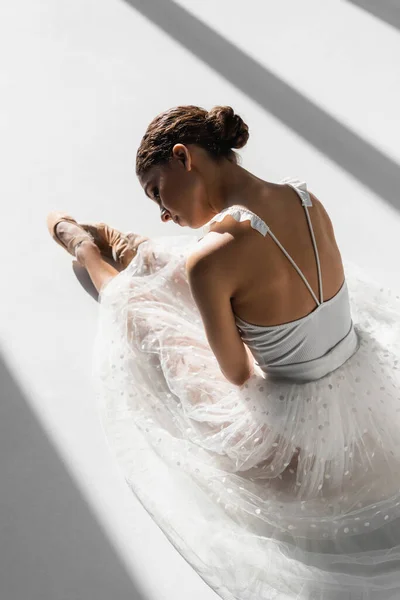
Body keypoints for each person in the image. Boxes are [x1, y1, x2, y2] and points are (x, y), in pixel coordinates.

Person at [47, 105, 400, 599]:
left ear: (183, 157)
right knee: (213, 271)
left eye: (156, 192)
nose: (164, 211)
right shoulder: (306, 198)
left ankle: (89, 251)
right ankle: (134, 249)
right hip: (374, 396)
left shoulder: (209, 261)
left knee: (144, 314)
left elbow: (236, 374)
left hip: (299, 446)